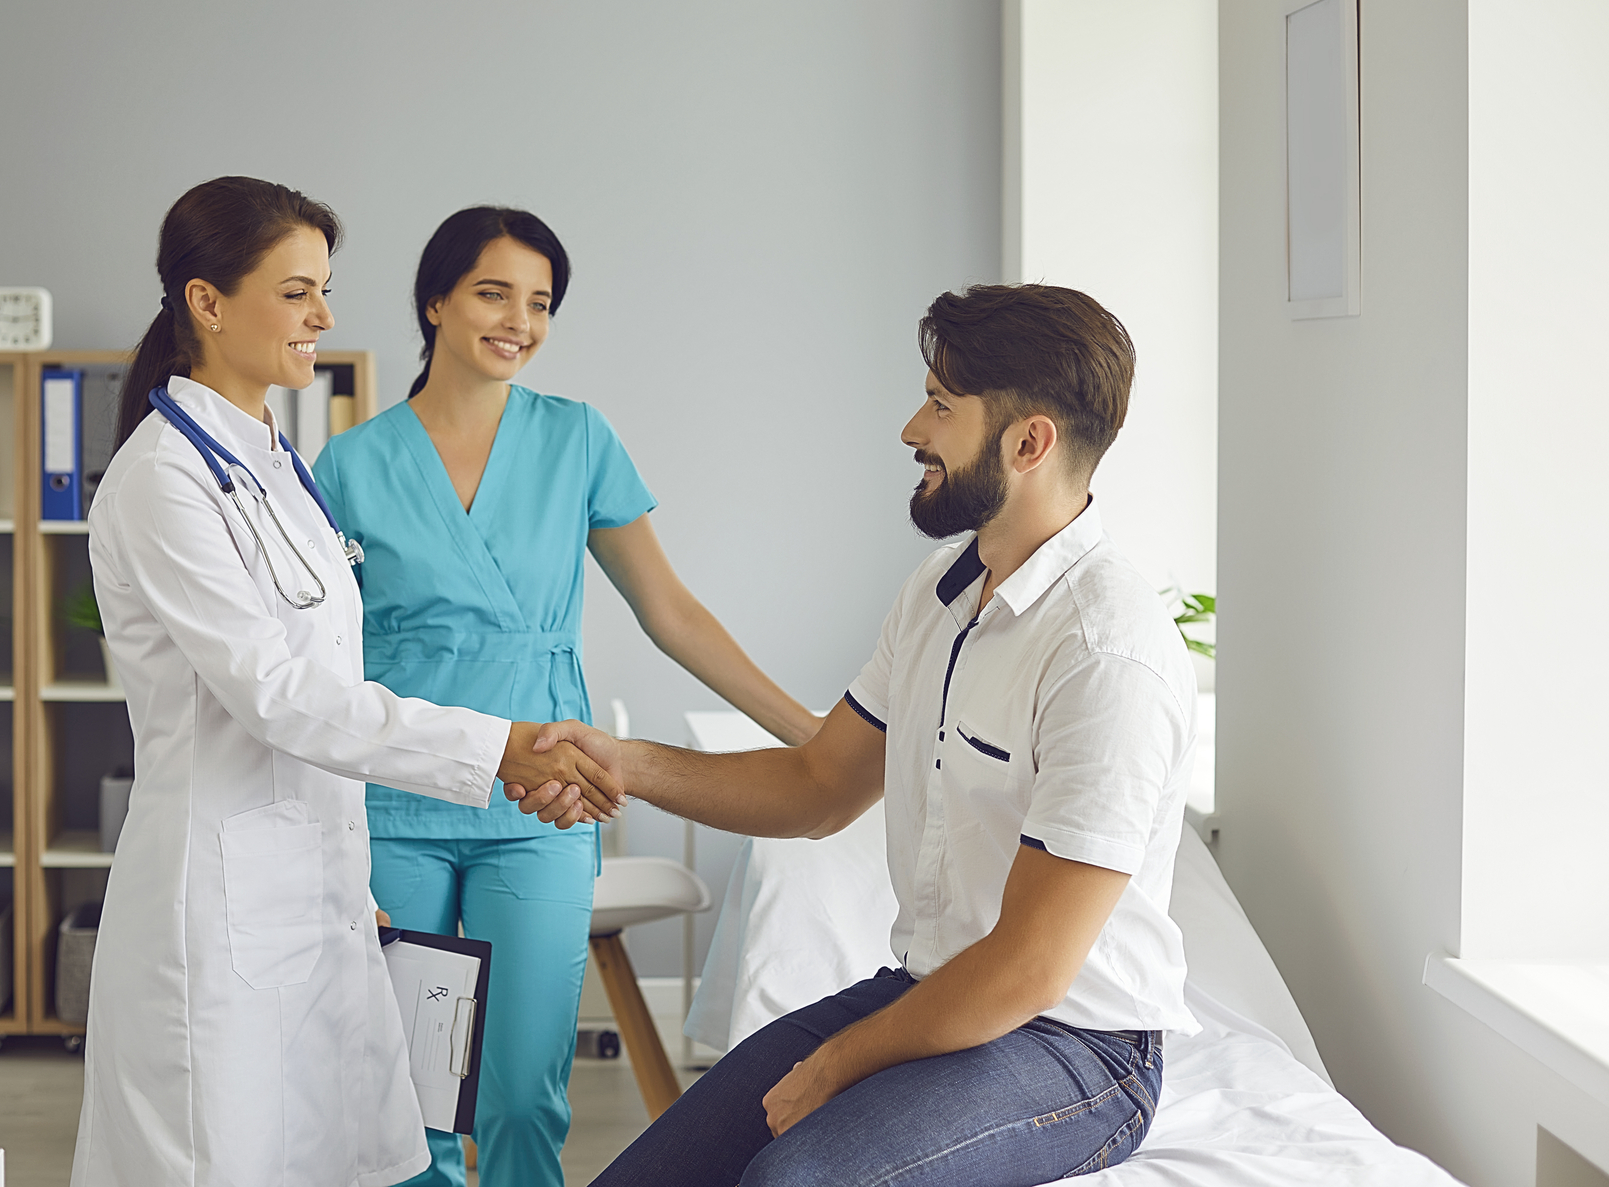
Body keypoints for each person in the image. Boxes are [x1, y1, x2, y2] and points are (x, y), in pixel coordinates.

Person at [521, 283, 1199, 1187]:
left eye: (941, 404)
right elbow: (818, 785)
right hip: (932, 991)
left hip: (1074, 1046)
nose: (911, 427)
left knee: (791, 1178)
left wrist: (836, 1064)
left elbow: (1029, 967)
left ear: (1029, 441)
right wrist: (630, 765)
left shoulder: (1106, 650)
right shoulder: (938, 591)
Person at [69, 178, 617, 1187]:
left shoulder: (278, 467)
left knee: (359, 1149)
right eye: (296, 292)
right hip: (218, 916)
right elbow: (277, 694)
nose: (323, 315)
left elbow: (328, 675)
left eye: (324, 289)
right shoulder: (161, 481)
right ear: (206, 300)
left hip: (313, 892)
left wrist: (337, 870)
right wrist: (497, 746)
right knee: (222, 1159)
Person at [312, 206, 817, 1187]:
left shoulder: (576, 438)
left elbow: (669, 612)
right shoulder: (351, 462)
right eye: (493, 292)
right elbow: (321, 667)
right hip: (393, 806)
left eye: (540, 302)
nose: (520, 320)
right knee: (407, 1098)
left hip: (543, 798)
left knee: (520, 1092)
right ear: (436, 300)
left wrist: (815, 736)